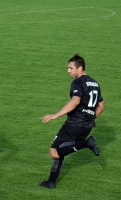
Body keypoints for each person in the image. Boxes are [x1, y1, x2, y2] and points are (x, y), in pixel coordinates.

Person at [39, 54, 104, 189]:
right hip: (87, 125)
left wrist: (56, 115)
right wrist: (89, 118)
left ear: (80, 68)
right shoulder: (95, 83)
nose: (68, 71)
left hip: (74, 123)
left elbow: (76, 100)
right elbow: (101, 107)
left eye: (71, 68)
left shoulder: (78, 82)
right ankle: (51, 182)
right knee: (61, 151)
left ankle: (87, 143)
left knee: (54, 151)